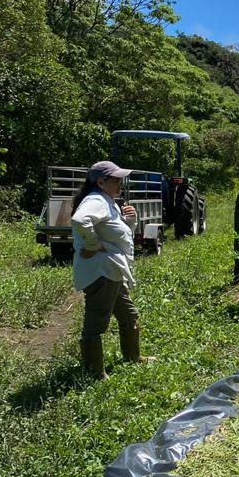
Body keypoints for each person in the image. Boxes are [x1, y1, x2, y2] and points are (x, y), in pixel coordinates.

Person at [70, 161, 150, 379]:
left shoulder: (108, 200)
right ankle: (95, 372)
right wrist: (93, 245)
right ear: (101, 182)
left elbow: (115, 234)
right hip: (101, 271)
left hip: (113, 270)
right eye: (117, 180)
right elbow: (80, 220)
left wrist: (130, 222)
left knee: (129, 315)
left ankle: (133, 356)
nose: (121, 183)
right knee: (96, 323)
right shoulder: (96, 199)